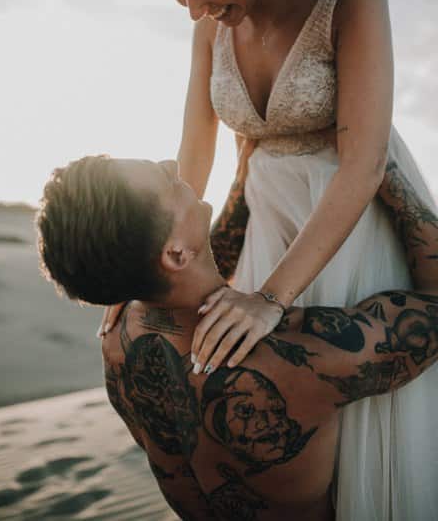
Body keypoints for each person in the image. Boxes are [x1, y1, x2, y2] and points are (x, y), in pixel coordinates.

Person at [104, 0, 437, 519]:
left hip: (353, 216)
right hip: (262, 219)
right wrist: (143, 265)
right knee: (273, 411)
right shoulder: (210, 23)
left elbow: (363, 163)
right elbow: (194, 154)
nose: (197, 8)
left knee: (355, 404)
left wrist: (270, 299)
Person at [36, 150, 438, 520]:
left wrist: (250, 161)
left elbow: (206, 254)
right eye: (165, 179)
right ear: (175, 254)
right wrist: (377, 163)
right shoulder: (293, 357)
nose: (172, 165)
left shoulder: (117, 344)